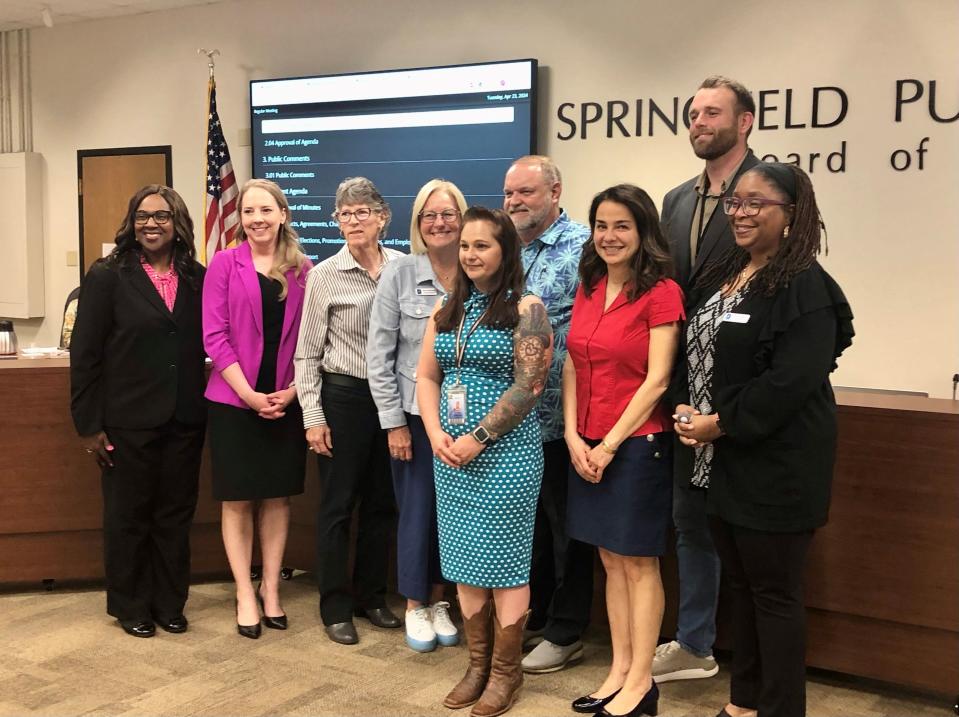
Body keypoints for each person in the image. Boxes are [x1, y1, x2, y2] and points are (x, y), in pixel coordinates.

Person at [672, 163, 854, 717]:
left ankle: (779, 708)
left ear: (792, 214)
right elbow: (701, 349)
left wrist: (717, 422)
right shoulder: (732, 270)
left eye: (756, 203)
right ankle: (743, 702)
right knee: (743, 591)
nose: (741, 213)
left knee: (773, 595)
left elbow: (789, 383)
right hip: (724, 464)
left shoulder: (805, 285)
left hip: (778, 465)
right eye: (735, 203)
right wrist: (688, 406)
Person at [417, 206, 552, 717]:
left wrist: (478, 436)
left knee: (506, 564)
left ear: (505, 251)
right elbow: (427, 376)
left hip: (506, 458)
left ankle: (504, 675)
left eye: (483, 246)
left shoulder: (528, 309)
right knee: (464, 561)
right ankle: (476, 666)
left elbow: (530, 385)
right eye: (466, 246)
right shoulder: (448, 308)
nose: (471, 254)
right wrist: (434, 433)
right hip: (449, 458)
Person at [563, 185, 684, 717]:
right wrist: (572, 435)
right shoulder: (589, 286)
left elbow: (658, 381)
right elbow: (571, 363)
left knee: (639, 563)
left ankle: (641, 682)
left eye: (622, 227)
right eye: (601, 226)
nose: (609, 237)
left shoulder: (662, 293)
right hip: (585, 441)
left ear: (643, 233)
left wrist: (608, 445)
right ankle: (617, 670)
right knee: (610, 561)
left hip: (636, 445)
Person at [656, 74, 759, 683]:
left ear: (744, 121)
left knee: (740, 525)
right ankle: (695, 644)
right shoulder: (675, 200)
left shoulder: (773, 187)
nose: (699, 122)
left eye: (713, 113)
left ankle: (750, 653)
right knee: (688, 517)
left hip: (739, 380)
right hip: (681, 380)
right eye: (693, 113)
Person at [70, 185, 206, 638]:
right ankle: (131, 606)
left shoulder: (196, 275)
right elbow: (85, 354)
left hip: (184, 419)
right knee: (129, 517)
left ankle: (170, 602)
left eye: (162, 216)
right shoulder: (109, 275)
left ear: (177, 222)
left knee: (174, 516)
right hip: (126, 420)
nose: (152, 224)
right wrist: (89, 426)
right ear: (132, 222)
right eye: (144, 216)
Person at [295, 177, 403, 645]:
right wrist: (313, 417)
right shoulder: (323, 276)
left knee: (383, 504)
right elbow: (306, 354)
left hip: (394, 402)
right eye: (344, 213)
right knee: (338, 506)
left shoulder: (405, 267)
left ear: (383, 217)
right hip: (344, 399)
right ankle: (335, 606)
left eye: (362, 212)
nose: (353, 221)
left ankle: (371, 597)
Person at [202, 178, 312, 639]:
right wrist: (248, 394)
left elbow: (313, 337)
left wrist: (291, 391)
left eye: (266, 210)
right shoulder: (225, 264)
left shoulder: (305, 269)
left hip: (287, 400)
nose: (258, 219)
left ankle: (270, 588)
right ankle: (244, 593)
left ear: (282, 214)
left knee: (276, 497)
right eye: (249, 212)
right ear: (239, 218)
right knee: (238, 499)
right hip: (233, 401)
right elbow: (214, 335)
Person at [502, 155, 594, 675]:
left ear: (555, 191)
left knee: (568, 529)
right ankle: (534, 615)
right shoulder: (505, 246)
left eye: (526, 193)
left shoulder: (583, 247)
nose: (514, 202)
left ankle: (567, 629)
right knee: (529, 526)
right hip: (515, 420)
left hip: (565, 417)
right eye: (509, 193)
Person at [367, 179, 467, 652]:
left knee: (455, 516)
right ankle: (414, 603)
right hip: (413, 417)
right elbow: (379, 354)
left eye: (448, 214)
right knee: (418, 514)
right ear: (417, 224)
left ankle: (441, 598)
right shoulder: (400, 273)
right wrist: (393, 424)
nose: (439, 223)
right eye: (429, 215)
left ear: (463, 219)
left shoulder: (478, 270)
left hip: (466, 425)